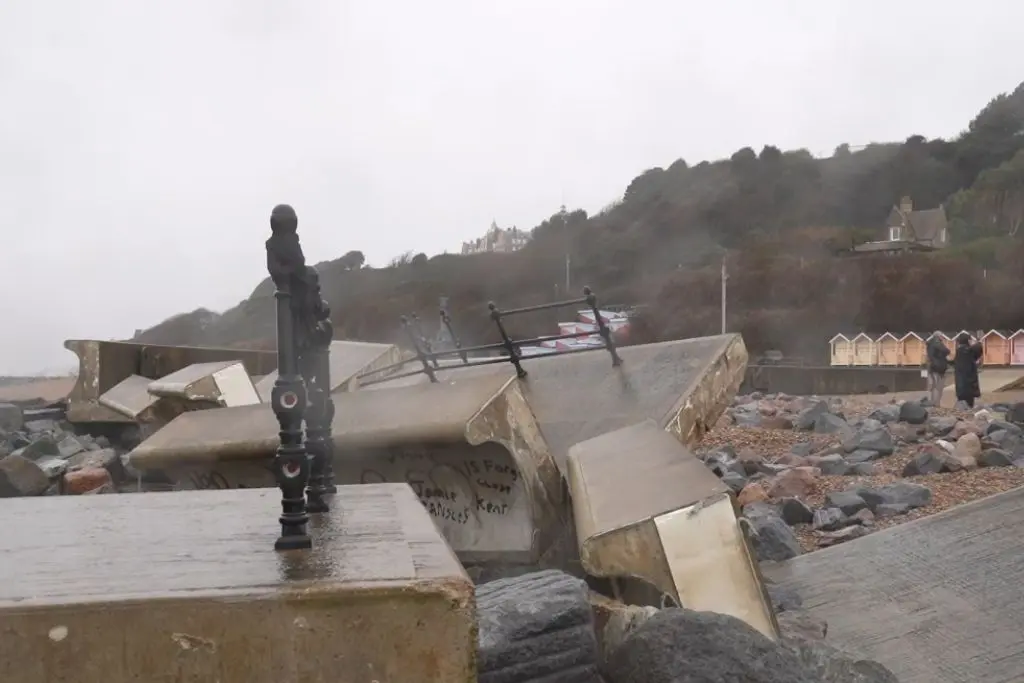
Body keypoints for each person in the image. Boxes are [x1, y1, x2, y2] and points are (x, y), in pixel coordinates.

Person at [953, 332, 983, 409]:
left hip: (961, 384)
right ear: (967, 340)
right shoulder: (966, 351)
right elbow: (978, 349)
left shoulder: (960, 351)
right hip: (968, 384)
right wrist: (978, 341)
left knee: (962, 403)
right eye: (970, 339)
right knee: (968, 404)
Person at [925, 332, 949, 406]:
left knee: (934, 387)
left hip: (933, 367)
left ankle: (934, 403)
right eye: (942, 336)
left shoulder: (931, 344)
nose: (943, 337)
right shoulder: (936, 343)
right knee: (937, 387)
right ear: (938, 336)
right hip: (937, 368)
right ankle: (935, 404)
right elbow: (946, 351)